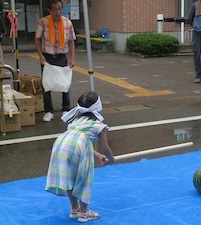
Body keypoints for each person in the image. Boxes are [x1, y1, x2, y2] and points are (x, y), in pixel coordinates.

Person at [45, 91, 115, 223]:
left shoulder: (76, 121)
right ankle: (84, 213)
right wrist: (112, 160)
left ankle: (75, 208)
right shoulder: (99, 125)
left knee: (70, 177)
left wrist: (98, 156)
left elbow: (80, 141)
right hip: (78, 147)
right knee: (83, 178)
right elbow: (106, 148)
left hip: (61, 144)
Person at [35, 0, 76, 122]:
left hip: (62, 56)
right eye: (55, 9)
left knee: (65, 83)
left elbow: (71, 41)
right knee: (46, 84)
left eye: (60, 9)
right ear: (50, 10)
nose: (58, 12)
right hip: (47, 56)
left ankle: (66, 109)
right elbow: (37, 39)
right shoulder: (43, 22)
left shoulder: (67, 23)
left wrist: (72, 57)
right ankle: (49, 111)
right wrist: (40, 55)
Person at [187, 0, 201, 83]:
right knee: (197, 53)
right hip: (198, 33)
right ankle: (199, 75)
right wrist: (196, 26)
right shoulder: (195, 5)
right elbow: (190, 18)